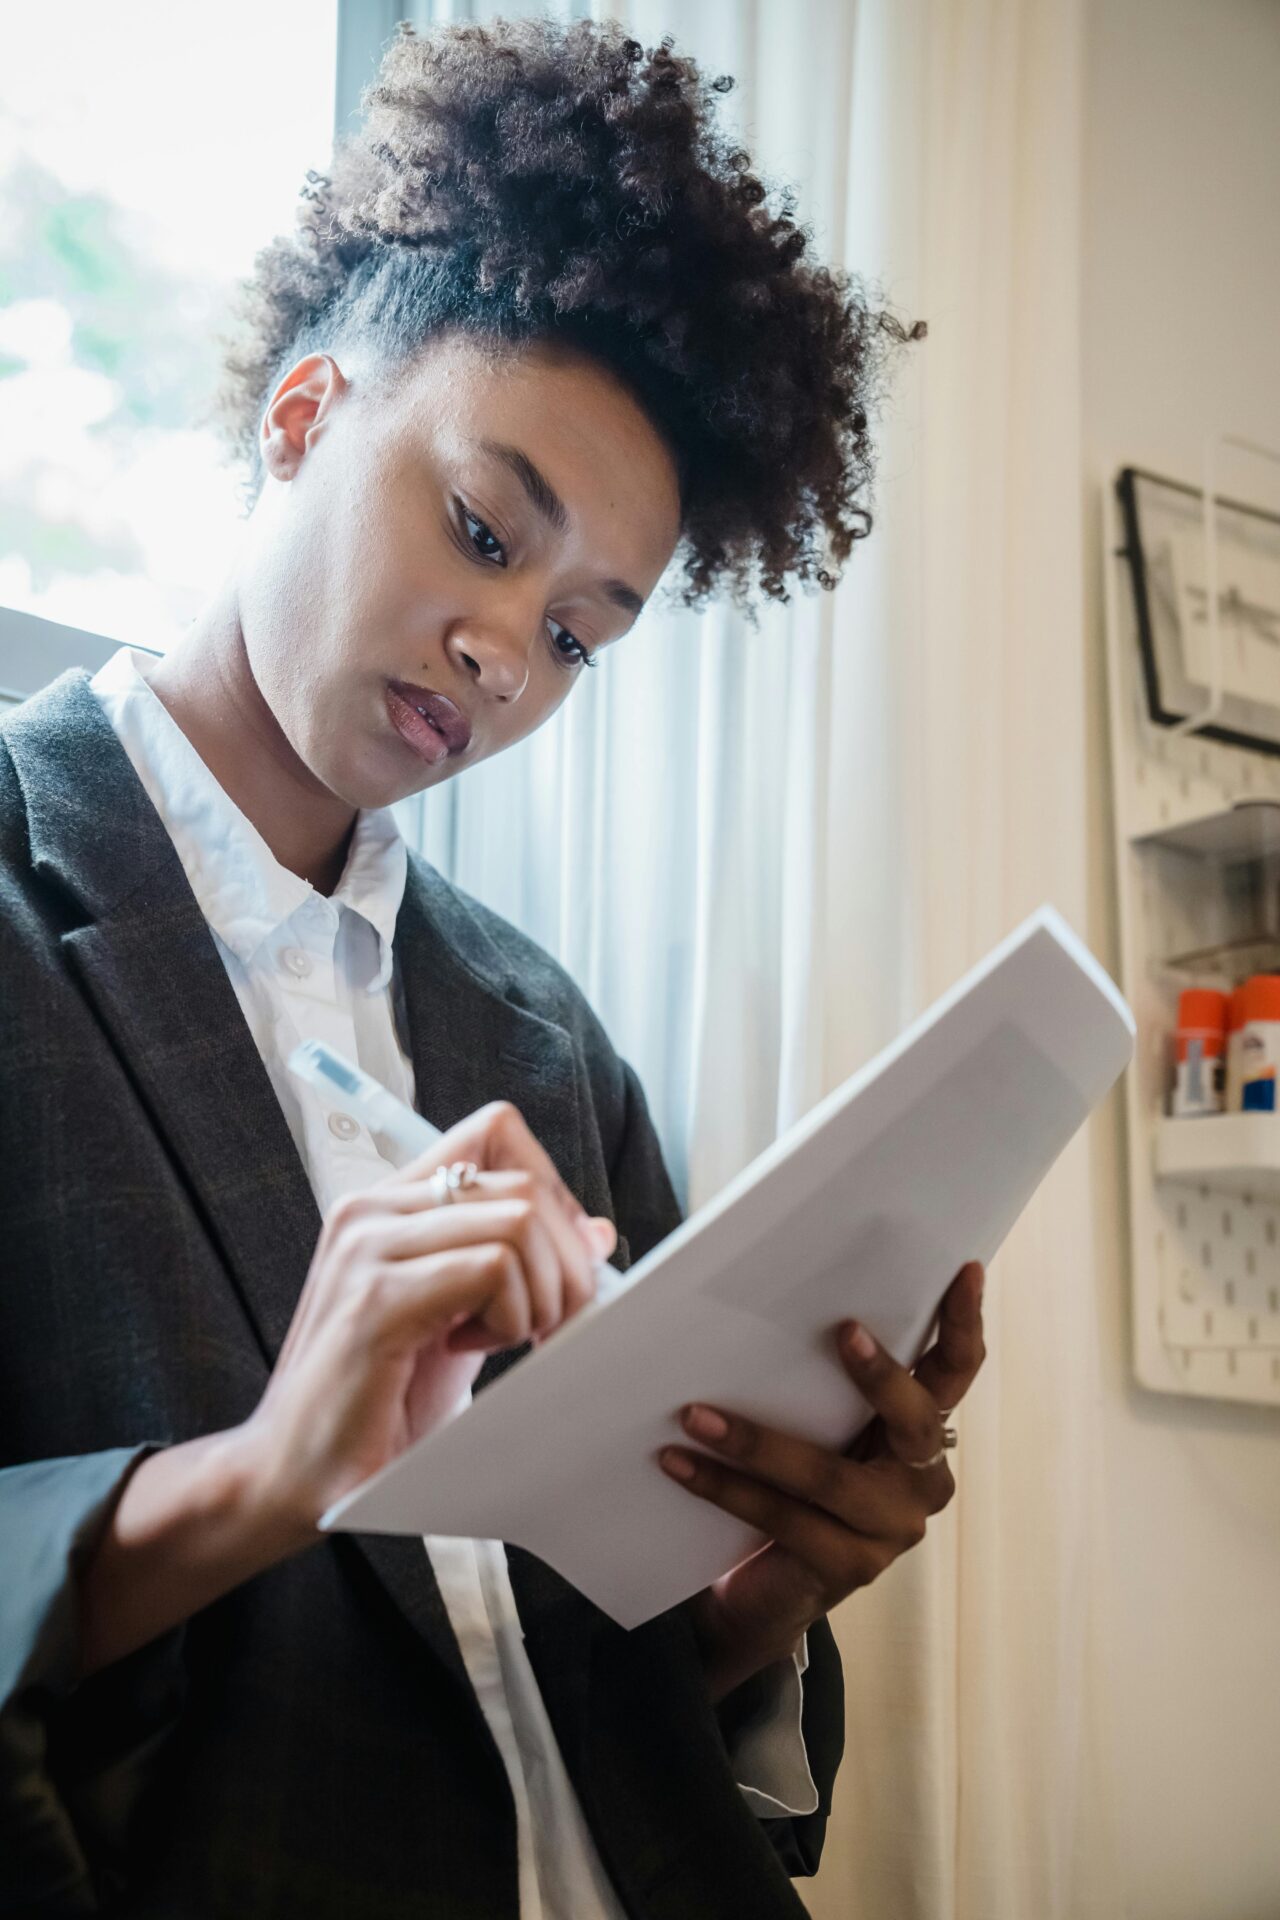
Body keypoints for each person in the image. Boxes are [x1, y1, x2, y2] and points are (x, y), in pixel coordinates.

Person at [0, 17, 986, 1917]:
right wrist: (267, 1469)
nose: (504, 657)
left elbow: (584, 1706)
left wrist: (764, 1599)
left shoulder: (548, 1041)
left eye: (580, 632)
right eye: (480, 530)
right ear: (301, 419)